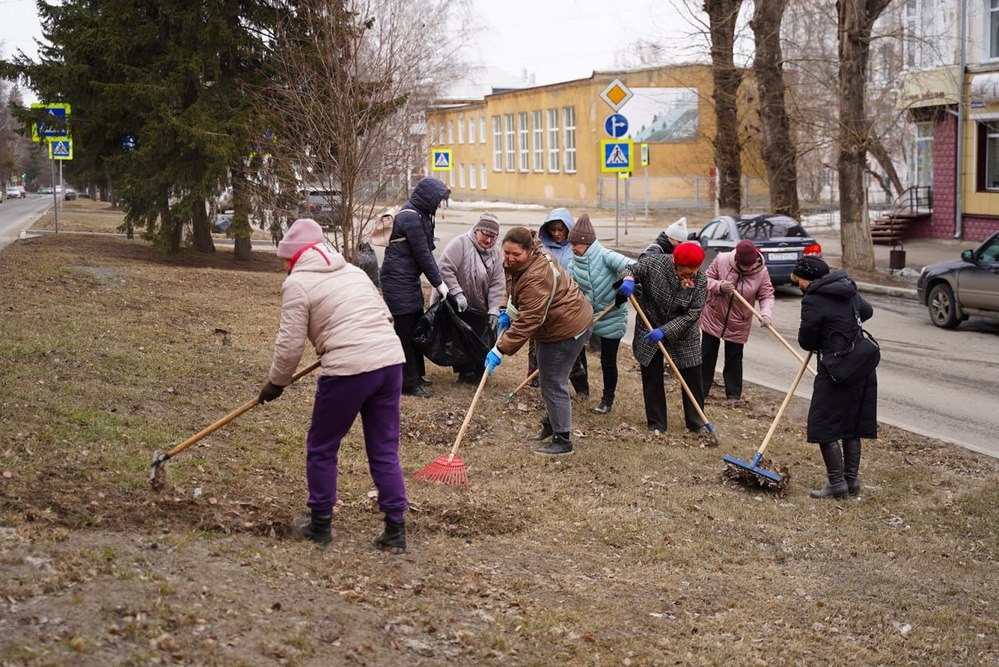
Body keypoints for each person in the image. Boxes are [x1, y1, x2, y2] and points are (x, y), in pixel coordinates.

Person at [259, 218, 409, 552]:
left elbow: (290, 343)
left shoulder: (298, 284)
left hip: (349, 370)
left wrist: (275, 383)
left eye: (286, 259)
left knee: (322, 445)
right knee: (384, 449)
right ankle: (395, 529)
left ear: (297, 256)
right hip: (390, 362)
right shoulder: (354, 272)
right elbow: (387, 317)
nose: (285, 266)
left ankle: (320, 525)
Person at [484, 226, 593, 456]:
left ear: (530, 250)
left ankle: (563, 440)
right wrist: (506, 308)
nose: (510, 258)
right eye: (507, 253)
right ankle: (552, 423)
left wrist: (500, 349)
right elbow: (511, 282)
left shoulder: (536, 275)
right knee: (548, 377)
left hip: (566, 326)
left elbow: (529, 320)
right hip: (555, 323)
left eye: (516, 254)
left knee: (553, 382)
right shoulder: (522, 262)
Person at [792, 256, 877, 499]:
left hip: (836, 368)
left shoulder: (813, 299)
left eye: (799, 280)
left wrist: (825, 336)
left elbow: (806, 341)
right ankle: (851, 482)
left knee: (823, 423)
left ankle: (837, 483)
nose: (798, 285)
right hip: (861, 364)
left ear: (807, 279)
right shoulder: (846, 288)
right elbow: (867, 311)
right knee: (852, 424)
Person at [618, 241, 708, 433]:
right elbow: (629, 268)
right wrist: (628, 279)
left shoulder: (700, 279)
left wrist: (666, 331)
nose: (689, 275)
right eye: (685, 271)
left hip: (683, 330)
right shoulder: (654, 264)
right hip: (650, 325)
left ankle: (696, 422)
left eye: (693, 270)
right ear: (675, 262)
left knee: (692, 373)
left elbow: (693, 313)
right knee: (652, 375)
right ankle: (656, 423)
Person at [379, 177, 451, 398]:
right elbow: (423, 255)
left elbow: (425, 251)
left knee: (415, 327)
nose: (440, 204)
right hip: (396, 281)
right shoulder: (410, 217)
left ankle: (417, 374)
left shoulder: (422, 214)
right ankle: (407, 384)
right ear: (429, 197)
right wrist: (439, 284)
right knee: (404, 331)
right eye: (438, 199)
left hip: (407, 279)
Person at [566, 213, 635, 415]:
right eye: (572, 243)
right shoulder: (573, 265)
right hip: (588, 318)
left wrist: (627, 281)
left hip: (612, 314)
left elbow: (632, 266)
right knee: (574, 352)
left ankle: (607, 400)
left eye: (576, 244)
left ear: (587, 243)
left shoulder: (606, 256)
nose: (572, 247)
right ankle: (582, 390)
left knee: (607, 360)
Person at [699, 239, 776, 403]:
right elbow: (705, 279)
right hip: (713, 314)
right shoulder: (722, 259)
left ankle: (733, 395)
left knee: (734, 357)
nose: (748, 269)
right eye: (744, 266)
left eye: (751, 265)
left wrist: (766, 313)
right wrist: (719, 286)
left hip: (739, 320)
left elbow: (767, 295)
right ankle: (700, 390)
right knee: (707, 354)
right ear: (737, 260)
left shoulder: (761, 272)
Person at [436, 212, 506, 384]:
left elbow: (498, 284)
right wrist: (457, 293)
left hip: (481, 306)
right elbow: (445, 268)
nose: (488, 241)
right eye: (485, 235)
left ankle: (480, 369)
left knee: (483, 335)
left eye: (493, 236)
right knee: (463, 336)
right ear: (477, 230)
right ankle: (464, 372)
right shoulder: (460, 244)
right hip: (460, 303)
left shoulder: (496, 254)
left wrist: (494, 310)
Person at [536, 207, 588, 399]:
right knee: (542, 343)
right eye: (553, 230)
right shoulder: (544, 248)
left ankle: (582, 387)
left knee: (575, 348)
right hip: (547, 304)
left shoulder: (574, 248)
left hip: (571, 305)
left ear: (568, 228)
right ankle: (540, 379)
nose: (557, 234)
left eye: (561, 229)